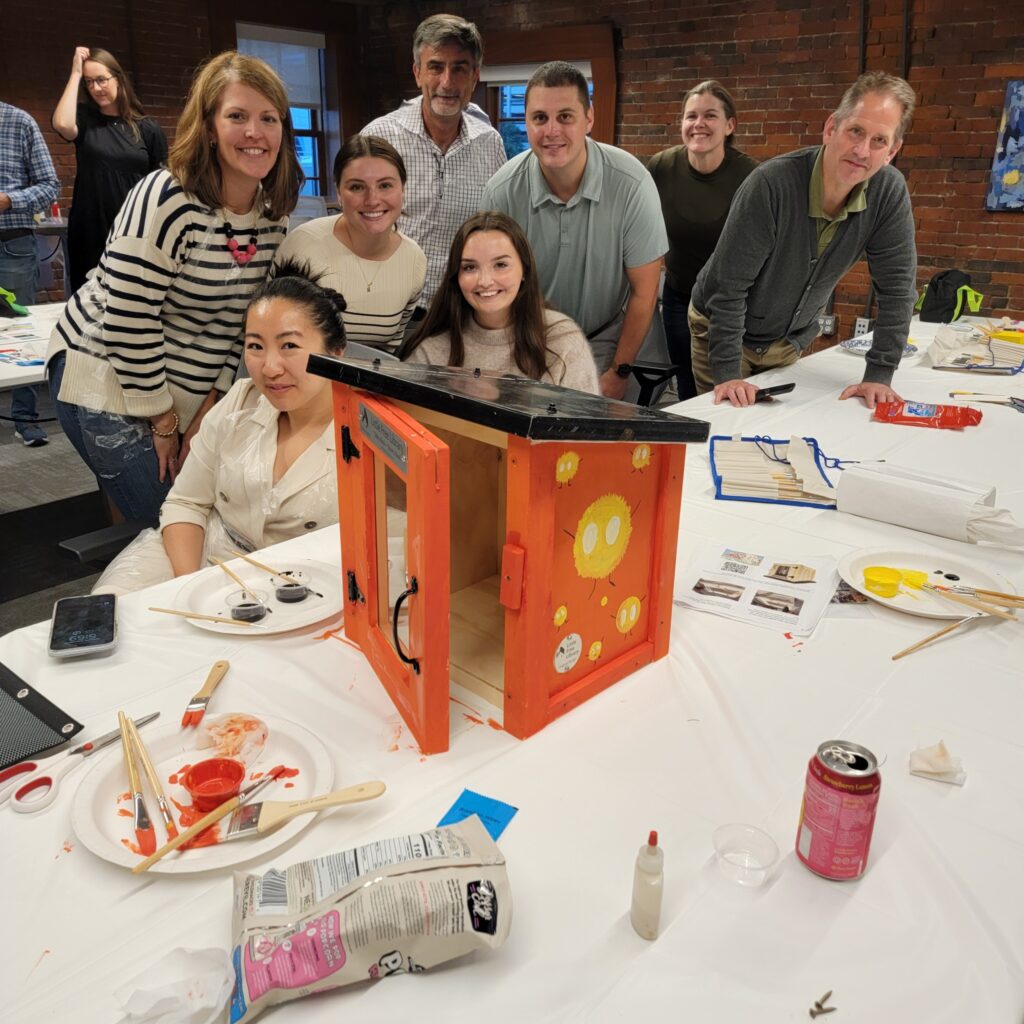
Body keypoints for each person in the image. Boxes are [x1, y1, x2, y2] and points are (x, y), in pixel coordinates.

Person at [47, 51, 302, 524]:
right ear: (208, 127)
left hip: (183, 385)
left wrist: (211, 406)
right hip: (108, 374)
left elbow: (242, 324)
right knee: (174, 523)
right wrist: (164, 420)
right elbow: (128, 317)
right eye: (237, 116)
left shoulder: (272, 216)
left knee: (207, 518)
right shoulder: (166, 197)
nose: (255, 132)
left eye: (269, 118)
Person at [92, 262, 345, 595]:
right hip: (204, 554)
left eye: (289, 346)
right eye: (255, 346)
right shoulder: (240, 402)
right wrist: (190, 588)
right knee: (114, 620)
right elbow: (187, 503)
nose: (269, 368)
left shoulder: (372, 433)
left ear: (336, 353)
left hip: (303, 585)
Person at [689, 71, 917, 408]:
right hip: (722, 330)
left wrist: (879, 375)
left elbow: (898, 290)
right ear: (830, 128)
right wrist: (727, 374)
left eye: (879, 141)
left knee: (776, 432)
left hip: (788, 339)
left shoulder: (889, 192)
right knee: (729, 428)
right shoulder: (772, 184)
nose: (861, 150)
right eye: (855, 131)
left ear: (892, 150)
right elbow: (729, 288)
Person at [480, 61, 668, 401]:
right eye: (540, 118)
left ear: (589, 118)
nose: (552, 131)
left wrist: (619, 371)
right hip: (535, 341)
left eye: (565, 116)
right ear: (527, 122)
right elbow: (491, 292)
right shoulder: (501, 193)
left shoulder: (631, 183)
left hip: (614, 337)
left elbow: (645, 290)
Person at [361, 13, 506, 308]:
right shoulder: (378, 139)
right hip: (387, 309)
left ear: (475, 75)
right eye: (436, 67)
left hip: (460, 312)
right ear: (417, 73)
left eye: (460, 68)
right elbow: (352, 227)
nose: (447, 81)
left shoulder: (490, 144)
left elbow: (497, 232)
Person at [401, 211, 599, 393]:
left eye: (501, 265)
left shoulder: (563, 340)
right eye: (470, 267)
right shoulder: (430, 351)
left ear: (525, 270)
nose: (485, 281)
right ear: (456, 276)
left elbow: (587, 429)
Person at [647, 81, 758, 401]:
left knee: (728, 388)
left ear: (729, 125)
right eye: (690, 116)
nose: (699, 124)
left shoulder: (750, 176)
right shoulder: (662, 167)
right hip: (679, 295)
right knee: (687, 386)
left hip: (733, 304)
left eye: (710, 115)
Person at [275, 135, 425, 350]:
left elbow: (388, 352)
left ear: (403, 190)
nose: (372, 200)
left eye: (385, 185)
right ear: (339, 193)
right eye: (356, 187)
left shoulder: (414, 260)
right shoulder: (303, 244)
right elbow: (268, 332)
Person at [52, 46, 168, 293]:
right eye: (89, 82)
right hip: (90, 228)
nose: (96, 88)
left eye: (102, 80)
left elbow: (162, 184)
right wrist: (74, 73)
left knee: (133, 298)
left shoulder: (146, 128)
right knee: (88, 301)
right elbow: (62, 124)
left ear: (119, 78)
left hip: (133, 229)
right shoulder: (84, 120)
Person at [0, 101, 60, 446]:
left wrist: (10, 200)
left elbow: (49, 185)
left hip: (11, 241)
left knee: (18, 332)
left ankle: (25, 418)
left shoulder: (19, 121)